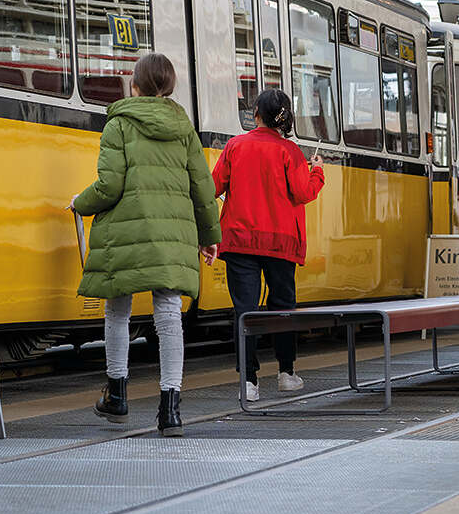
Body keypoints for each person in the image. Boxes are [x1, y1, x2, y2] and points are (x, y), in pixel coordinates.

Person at [71, 53, 221, 437]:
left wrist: (80, 203)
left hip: (125, 232)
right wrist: (209, 237)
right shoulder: (183, 127)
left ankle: (117, 396)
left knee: (118, 309)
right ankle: (170, 410)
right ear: (169, 87)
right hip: (173, 236)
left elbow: (110, 185)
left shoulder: (118, 123)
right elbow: (202, 187)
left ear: (134, 84)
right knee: (169, 316)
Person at [212, 88, 325, 402]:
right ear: (283, 118)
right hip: (280, 242)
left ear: (256, 115)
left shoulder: (235, 146)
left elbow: (214, 185)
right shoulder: (289, 151)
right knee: (283, 308)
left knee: (244, 311)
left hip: (239, 240)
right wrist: (317, 171)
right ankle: (286, 374)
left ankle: (248, 382)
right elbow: (303, 193)